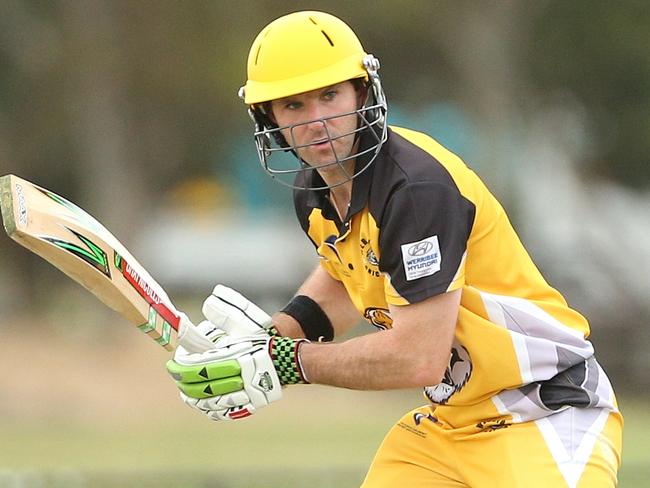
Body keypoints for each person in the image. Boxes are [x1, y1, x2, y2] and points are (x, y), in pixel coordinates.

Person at [166, 10, 623, 487]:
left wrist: (284, 363)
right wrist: (267, 339)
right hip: (449, 427)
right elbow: (346, 280)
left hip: (543, 411)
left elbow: (417, 356)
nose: (317, 121)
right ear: (270, 120)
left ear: (362, 93)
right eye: (294, 106)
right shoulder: (314, 192)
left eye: (329, 96)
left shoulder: (416, 189)